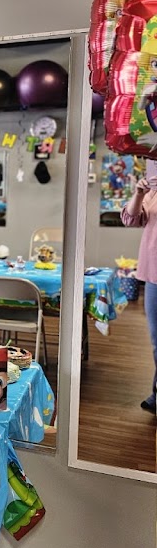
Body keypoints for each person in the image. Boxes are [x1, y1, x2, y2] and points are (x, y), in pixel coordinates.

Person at [121, 159, 157, 411]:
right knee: (156, 340)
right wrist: (139, 192)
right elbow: (130, 219)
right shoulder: (152, 192)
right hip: (154, 274)